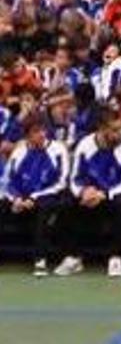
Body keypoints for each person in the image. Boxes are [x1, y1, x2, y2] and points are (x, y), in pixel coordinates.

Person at [55, 107, 121, 277]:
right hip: (91, 194)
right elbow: (75, 178)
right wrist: (83, 192)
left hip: (115, 193)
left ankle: (115, 258)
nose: (120, 134)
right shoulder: (85, 144)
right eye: (114, 130)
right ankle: (73, 257)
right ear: (101, 129)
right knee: (65, 202)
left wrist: (105, 193)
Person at [2, 116, 69, 276]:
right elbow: (8, 180)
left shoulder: (58, 149)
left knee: (44, 209)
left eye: (42, 130)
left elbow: (61, 182)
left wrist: (34, 197)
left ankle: (40, 260)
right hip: (21, 198)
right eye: (35, 132)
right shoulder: (19, 152)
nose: (41, 134)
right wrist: (16, 198)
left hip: (47, 196)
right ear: (27, 136)